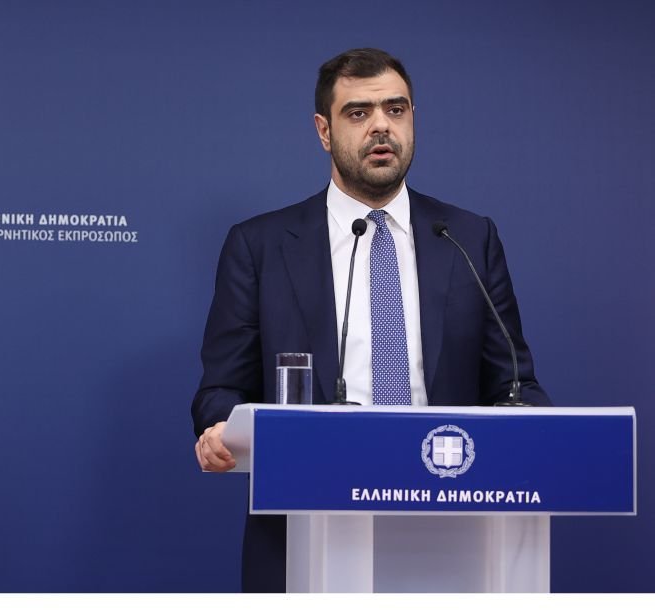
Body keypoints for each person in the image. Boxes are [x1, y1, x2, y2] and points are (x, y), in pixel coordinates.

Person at [191, 48, 550, 592]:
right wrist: (220, 428)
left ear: (413, 119)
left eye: (395, 109)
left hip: (452, 524)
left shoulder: (468, 238)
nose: (381, 126)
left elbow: (515, 384)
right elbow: (221, 389)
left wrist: (543, 433)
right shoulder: (260, 245)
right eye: (358, 113)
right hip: (310, 524)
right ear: (324, 131)